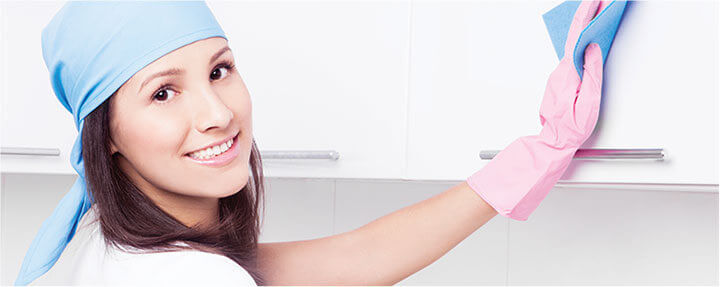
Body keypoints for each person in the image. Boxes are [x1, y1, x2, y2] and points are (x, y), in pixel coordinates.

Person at [15, 0, 608, 285]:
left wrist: (540, 150)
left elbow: (355, 257)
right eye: (162, 94)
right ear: (107, 133)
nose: (218, 114)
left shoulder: (108, 240)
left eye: (219, 70)